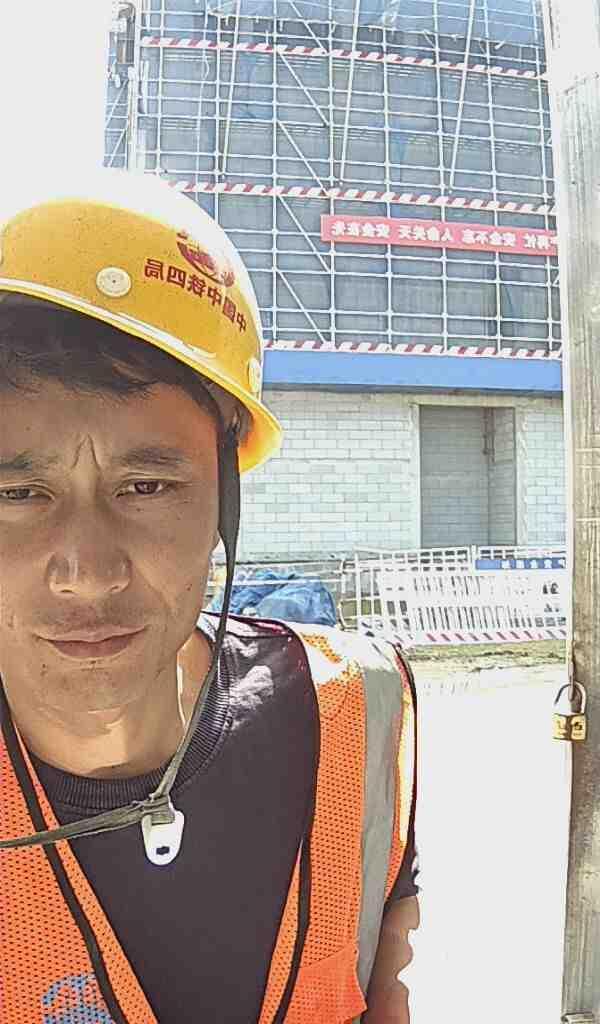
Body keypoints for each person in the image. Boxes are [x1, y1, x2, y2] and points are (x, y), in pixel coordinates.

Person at [0, 169, 420, 1024]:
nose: (87, 572)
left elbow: (386, 984)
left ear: (226, 496)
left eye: (148, 486)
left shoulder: (357, 710)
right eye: (16, 494)